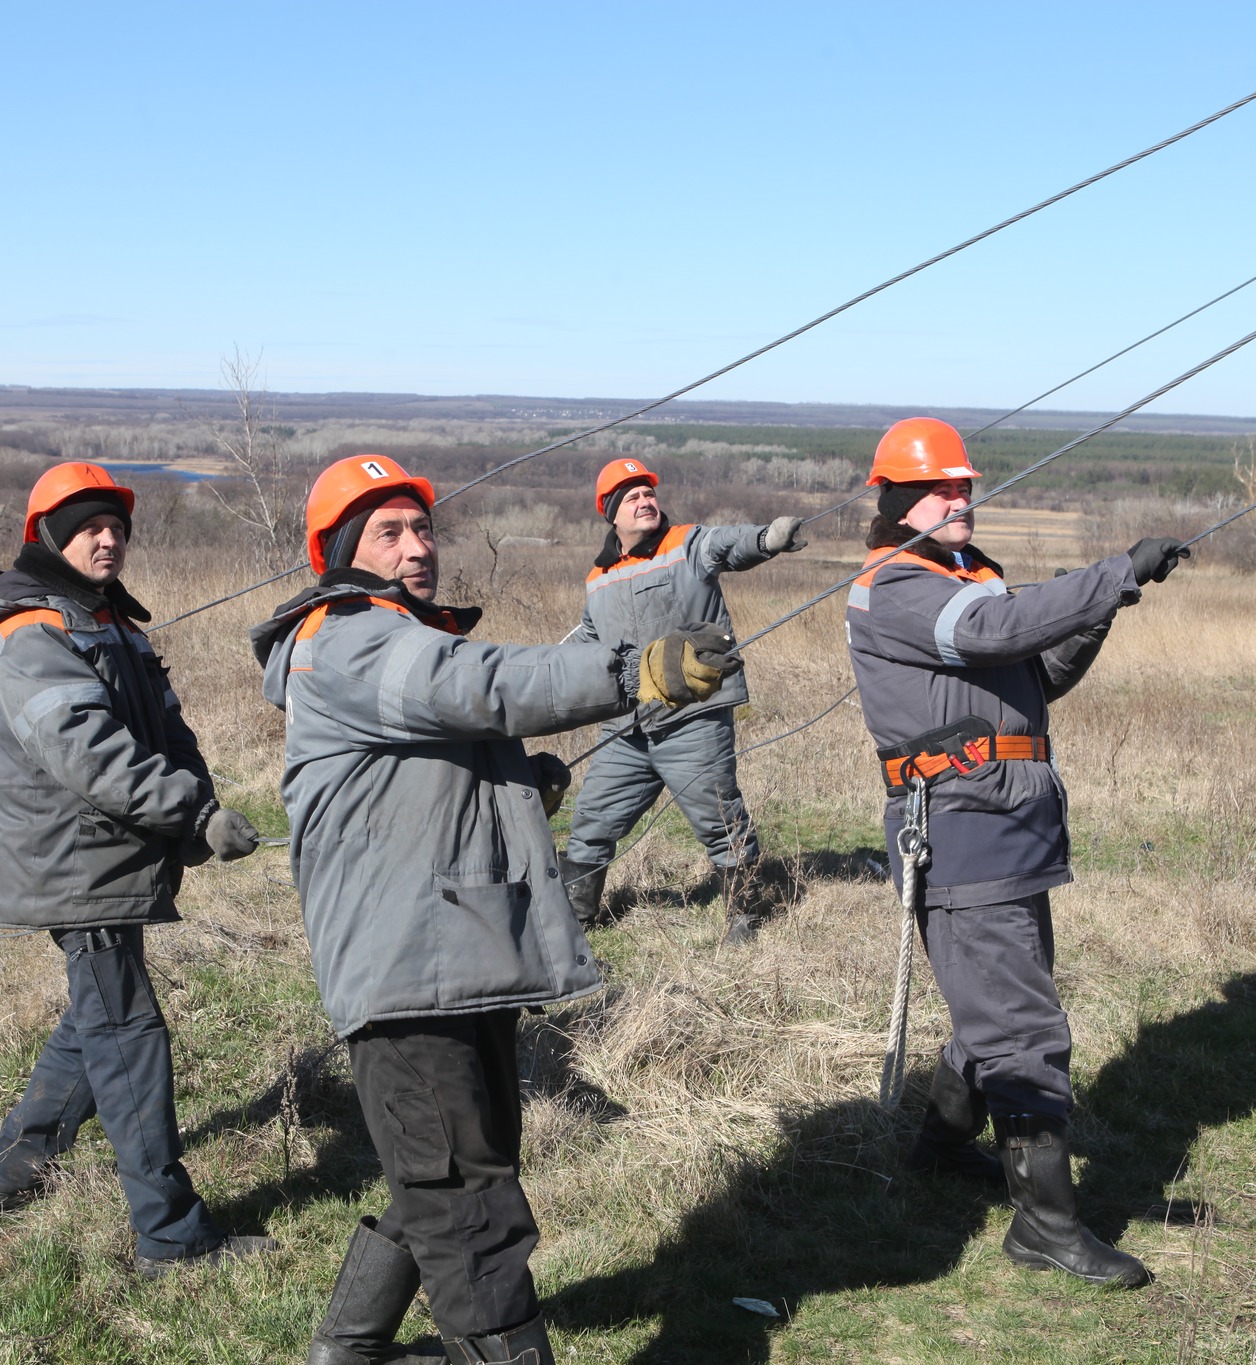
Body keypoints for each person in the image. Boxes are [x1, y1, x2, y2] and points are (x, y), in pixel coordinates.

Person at [251, 455, 738, 1365]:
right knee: (470, 1205)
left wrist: (519, 781)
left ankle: (348, 1348)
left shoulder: (392, 635)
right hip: (407, 966)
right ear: (343, 551)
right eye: (390, 531)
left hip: (455, 948)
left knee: (454, 1168)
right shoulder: (350, 634)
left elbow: (435, 750)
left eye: (423, 527)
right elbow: (479, 683)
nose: (416, 546)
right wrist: (633, 668)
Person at [843, 418, 1189, 1290]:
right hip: (960, 828)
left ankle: (935, 1149)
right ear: (893, 501)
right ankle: (1045, 1226)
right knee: (1025, 1030)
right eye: (939, 488)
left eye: (964, 485)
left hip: (1010, 823)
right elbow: (1001, 632)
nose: (960, 498)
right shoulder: (900, 588)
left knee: (995, 1003)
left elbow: (1034, 673)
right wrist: (1109, 573)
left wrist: (1101, 606)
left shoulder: (970, 575)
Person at [0, 461, 278, 1278]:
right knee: (127, 1033)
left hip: (107, 850)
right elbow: (89, 752)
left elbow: (166, 730)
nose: (108, 539)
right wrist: (191, 813)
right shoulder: (28, 634)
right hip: (74, 858)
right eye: (89, 527)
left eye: (117, 526)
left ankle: (17, 1164)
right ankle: (170, 1237)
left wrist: (196, 812)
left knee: (95, 1011)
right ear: (50, 538)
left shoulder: (107, 622)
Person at [558, 458, 811, 942]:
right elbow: (589, 642)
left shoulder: (687, 545)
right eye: (631, 497)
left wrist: (767, 539)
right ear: (610, 512)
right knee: (591, 821)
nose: (645, 501)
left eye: (648, 493)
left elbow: (730, 544)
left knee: (719, 817)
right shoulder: (598, 577)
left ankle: (744, 915)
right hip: (626, 727)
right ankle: (577, 916)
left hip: (693, 716)